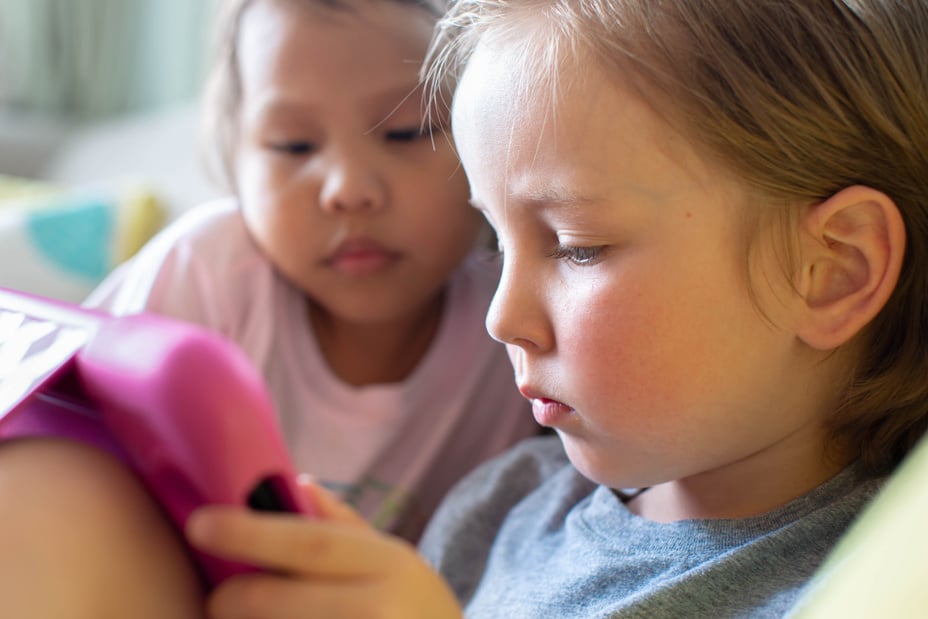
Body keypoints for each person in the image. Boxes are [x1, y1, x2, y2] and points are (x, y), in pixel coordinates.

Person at [2, 0, 926, 617]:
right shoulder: (499, 505)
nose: (497, 316)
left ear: (832, 270)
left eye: (576, 245)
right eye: (494, 241)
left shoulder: (866, 571)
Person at [80, 0, 536, 540]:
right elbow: (61, 455)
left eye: (406, 132)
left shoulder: (519, 316)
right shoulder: (208, 274)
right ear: (236, 162)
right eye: (294, 145)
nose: (348, 189)